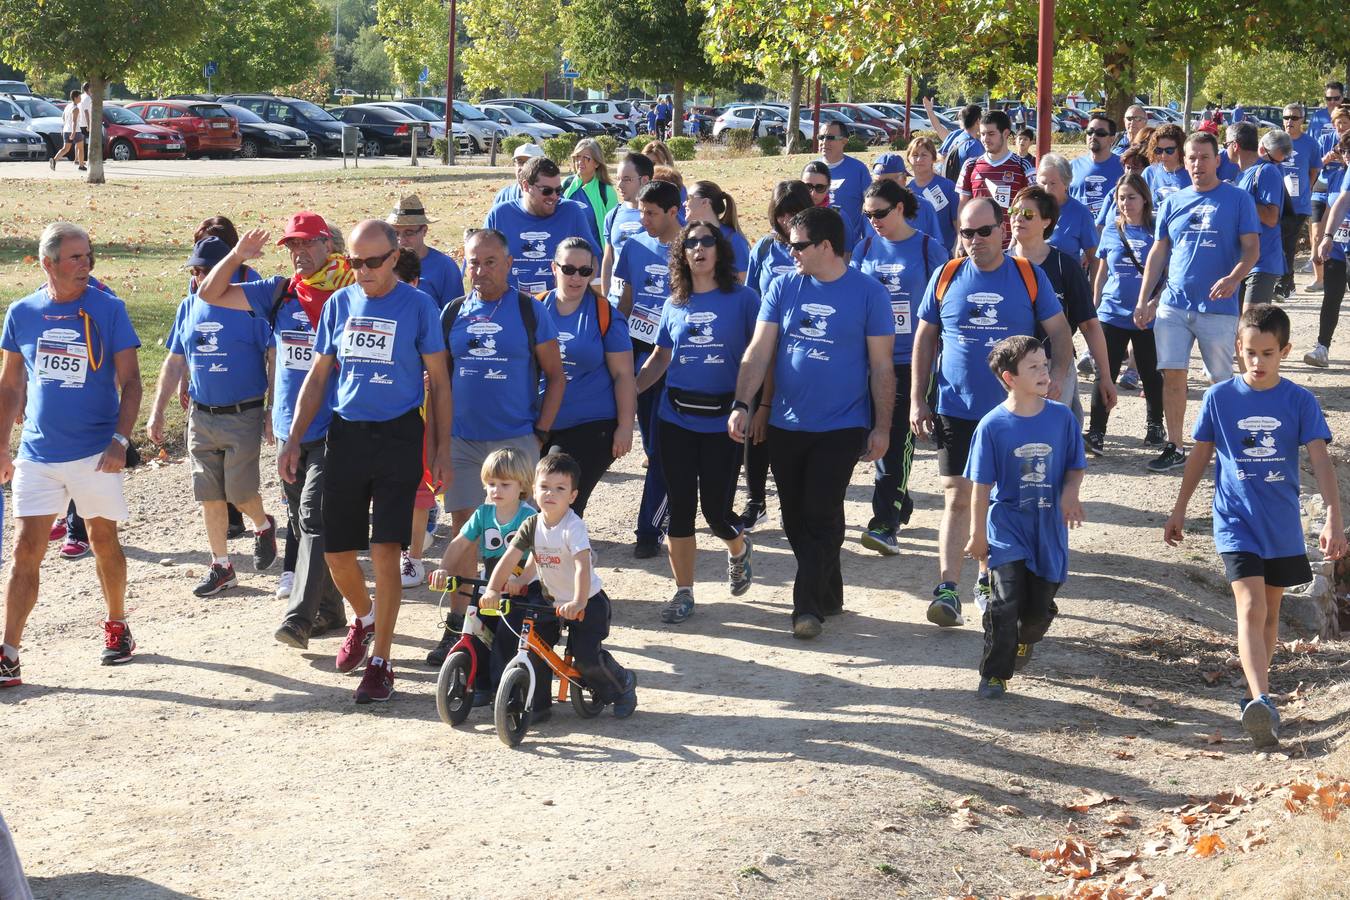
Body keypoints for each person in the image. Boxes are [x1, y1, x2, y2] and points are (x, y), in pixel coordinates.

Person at [281, 219, 452, 704]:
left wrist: (440, 449)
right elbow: (318, 377)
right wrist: (293, 438)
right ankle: (364, 616)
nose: (363, 271)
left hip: (399, 434)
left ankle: (382, 660)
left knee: (384, 553)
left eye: (373, 262)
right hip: (347, 433)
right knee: (336, 550)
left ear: (394, 257)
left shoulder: (420, 307)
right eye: (354, 262)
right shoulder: (339, 304)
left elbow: (439, 382)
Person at [1164, 304, 1346, 749]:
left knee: (1270, 613)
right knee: (1250, 608)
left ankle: (1254, 692)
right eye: (1250, 353)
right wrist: (1180, 508)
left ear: (1284, 350)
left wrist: (1334, 516)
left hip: (1281, 523)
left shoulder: (1299, 400)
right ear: (1237, 351)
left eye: (1268, 353)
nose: (1258, 362)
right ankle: (1262, 700)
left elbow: (1320, 460)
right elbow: (1201, 454)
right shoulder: (1219, 398)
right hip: (1235, 521)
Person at [728, 206, 895, 639]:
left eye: (798, 244)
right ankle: (831, 590)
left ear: (825, 246)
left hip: (842, 424)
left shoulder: (869, 293)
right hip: (786, 422)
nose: (790, 251)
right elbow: (759, 351)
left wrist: (882, 428)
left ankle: (807, 607)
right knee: (795, 516)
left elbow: (881, 368)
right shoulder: (783, 286)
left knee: (820, 509)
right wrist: (743, 404)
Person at [911, 198, 1071, 627]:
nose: (976, 240)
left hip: (1012, 415)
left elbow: (1059, 331)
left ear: (1003, 230)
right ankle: (947, 588)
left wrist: (1053, 377)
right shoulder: (946, 276)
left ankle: (987, 578)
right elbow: (925, 339)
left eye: (984, 231)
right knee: (957, 495)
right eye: (967, 233)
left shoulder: (1027, 275)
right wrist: (917, 398)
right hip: (956, 407)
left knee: (1002, 501)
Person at [196, 213, 352, 648]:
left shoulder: (352, 289)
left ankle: (299, 617)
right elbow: (210, 294)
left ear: (327, 244)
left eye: (306, 244)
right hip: (290, 428)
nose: (298, 254)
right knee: (303, 523)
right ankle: (330, 610)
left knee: (313, 519)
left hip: (337, 424)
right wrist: (238, 255)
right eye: (291, 247)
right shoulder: (281, 292)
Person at [0, 223, 141, 687]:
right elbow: (10, 384)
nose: (86, 264)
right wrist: (3, 444)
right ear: (49, 263)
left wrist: (120, 441)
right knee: (26, 551)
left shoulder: (108, 308)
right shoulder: (22, 312)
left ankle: (117, 625)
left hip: (95, 453)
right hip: (38, 452)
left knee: (103, 540)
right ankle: (9, 652)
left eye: (88, 255)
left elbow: (132, 382)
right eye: (76, 257)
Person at [636, 222, 758, 623]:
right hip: (675, 419)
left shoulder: (743, 300)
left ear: (719, 251)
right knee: (681, 509)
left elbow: (760, 358)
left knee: (716, 512)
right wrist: (627, 392)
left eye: (708, 241)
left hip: (724, 421)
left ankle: (738, 546)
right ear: (682, 255)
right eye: (691, 243)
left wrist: (757, 408)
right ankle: (683, 592)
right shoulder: (675, 303)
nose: (700, 248)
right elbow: (659, 358)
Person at [146, 236, 278, 597]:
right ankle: (221, 566)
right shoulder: (188, 306)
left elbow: (273, 357)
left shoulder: (250, 306)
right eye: (195, 270)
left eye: (206, 270)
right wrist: (157, 412)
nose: (199, 276)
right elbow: (174, 361)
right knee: (208, 494)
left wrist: (270, 410)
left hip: (243, 413)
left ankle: (263, 525)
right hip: (201, 416)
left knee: (239, 491)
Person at [441, 227, 565, 583]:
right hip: (462, 441)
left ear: (509, 263)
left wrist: (539, 433)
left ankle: (515, 618)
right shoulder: (452, 313)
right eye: (473, 263)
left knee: (521, 531)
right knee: (465, 529)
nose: (481, 270)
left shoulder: (529, 311)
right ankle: (462, 624)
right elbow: (439, 383)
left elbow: (556, 377)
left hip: (515, 439)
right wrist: (439, 443)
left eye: (490, 262)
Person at [965, 335, 1085, 699]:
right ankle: (994, 675)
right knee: (1004, 601)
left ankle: (1025, 639)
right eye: (1033, 367)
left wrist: (1070, 495)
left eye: (1045, 364)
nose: (1043, 372)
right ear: (1009, 378)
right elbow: (981, 486)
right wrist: (977, 535)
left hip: (1048, 527)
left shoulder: (1062, 418)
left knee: (1035, 612)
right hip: (1007, 526)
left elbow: (1075, 467)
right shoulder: (992, 425)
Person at [1133, 132, 1259, 474]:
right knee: (1172, 374)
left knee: (1220, 380)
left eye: (1204, 157)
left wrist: (1234, 278)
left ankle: (1228, 443)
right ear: (1183, 160)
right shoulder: (1174, 201)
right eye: (1191, 157)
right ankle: (1175, 445)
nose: (1197, 164)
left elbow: (1252, 248)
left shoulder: (1237, 199)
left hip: (1217, 307)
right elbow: (1159, 251)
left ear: (1218, 160)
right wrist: (1145, 299)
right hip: (1174, 304)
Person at [480, 452, 638, 719]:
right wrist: (496, 588)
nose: (550, 494)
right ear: (533, 490)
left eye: (559, 489)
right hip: (550, 601)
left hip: (587, 601)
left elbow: (581, 566)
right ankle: (538, 705)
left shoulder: (572, 527)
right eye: (544, 487)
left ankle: (621, 685)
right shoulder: (532, 524)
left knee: (586, 657)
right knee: (533, 647)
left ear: (573, 496)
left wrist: (578, 601)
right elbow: (518, 557)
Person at [851, 179, 949, 555]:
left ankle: (885, 522)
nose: (873, 220)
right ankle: (899, 500)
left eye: (880, 213)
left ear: (900, 208)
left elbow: (944, 304)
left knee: (894, 440)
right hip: (870, 360)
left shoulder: (928, 249)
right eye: (867, 214)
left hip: (911, 361)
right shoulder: (863, 248)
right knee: (866, 437)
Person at [1007, 185, 1116, 433]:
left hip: (1054, 365)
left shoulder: (1064, 266)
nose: (1017, 219)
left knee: (1051, 439)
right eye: (1014, 211)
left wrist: (1106, 376)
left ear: (1046, 221)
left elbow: (1089, 324)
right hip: (1009, 367)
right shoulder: (1000, 263)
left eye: (1027, 214)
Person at [540, 237, 636, 515]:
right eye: (569, 269)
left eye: (585, 271)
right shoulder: (535, 309)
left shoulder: (605, 315)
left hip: (590, 424)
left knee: (557, 500)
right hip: (539, 423)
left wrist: (626, 426)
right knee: (529, 502)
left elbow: (624, 375)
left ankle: (569, 556)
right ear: (554, 268)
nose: (576, 277)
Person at [739, 181, 814, 530]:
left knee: (791, 430)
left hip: (806, 347)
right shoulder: (765, 248)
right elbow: (751, 296)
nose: (786, 222)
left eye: (793, 214)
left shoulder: (816, 245)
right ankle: (756, 500)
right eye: (780, 214)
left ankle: (794, 502)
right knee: (756, 425)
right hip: (769, 345)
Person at [616, 180, 684, 558]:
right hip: (639, 349)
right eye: (640, 211)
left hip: (674, 356)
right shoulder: (635, 244)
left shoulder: (692, 246)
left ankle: (649, 528)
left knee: (661, 446)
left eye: (651, 213)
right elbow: (628, 297)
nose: (643, 220)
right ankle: (669, 505)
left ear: (674, 211)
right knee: (651, 441)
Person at [425, 447, 536, 675]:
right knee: (477, 631)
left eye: (505, 484)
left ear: (523, 486)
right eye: (492, 483)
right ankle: (480, 683)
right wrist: (444, 568)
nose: (497, 490)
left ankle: (505, 684)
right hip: (489, 587)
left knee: (507, 638)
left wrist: (523, 579)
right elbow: (460, 543)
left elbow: (538, 555)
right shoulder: (483, 514)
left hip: (521, 590)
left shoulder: (529, 517)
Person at [1088, 173, 1165, 449]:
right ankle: (1096, 431)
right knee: (1104, 372)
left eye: (1131, 197)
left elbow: (1166, 274)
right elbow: (1102, 270)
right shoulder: (1111, 229)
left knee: (1150, 372)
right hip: (1112, 311)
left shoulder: (1157, 230)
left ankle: (1156, 425)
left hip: (1147, 315)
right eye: (1121, 198)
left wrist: (1154, 303)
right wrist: (1095, 304)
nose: (1125, 203)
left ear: (1145, 199)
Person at [483, 156, 600, 295]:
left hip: (558, 306)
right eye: (547, 191)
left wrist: (574, 293)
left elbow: (594, 258)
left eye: (558, 190)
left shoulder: (571, 212)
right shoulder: (500, 215)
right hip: (511, 305)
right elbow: (481, 263)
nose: (554, 197)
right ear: (526, 186)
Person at [1229, 123, 1288, 311]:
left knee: (1252, 327)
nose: (1225, 149)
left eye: (1226, 144)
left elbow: (1271, 217)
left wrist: (1236, 197)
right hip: (1241, 261)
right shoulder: (1241, 175)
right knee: (1237, 328)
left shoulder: (1267, 171)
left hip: (1262, 263)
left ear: (1235, 145)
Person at [957, 110, 1034, 247]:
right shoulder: (970, 165)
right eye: (982, 134)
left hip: (1013, 247)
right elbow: (963, 206)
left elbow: (1034, 207)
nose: (985, 139)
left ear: (1005, 133)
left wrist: (1019, 239)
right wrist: (961, 240)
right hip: (979, 244)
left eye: (991, 134)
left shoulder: (1023, 166)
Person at [1308, 130, 1350, 367]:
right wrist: (1327, 237)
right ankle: (1322, 347)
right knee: (1332, 296)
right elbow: (1335, 205)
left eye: (1349, 151)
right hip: (1337, 248)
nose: (1346, 156)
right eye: (1343, 151)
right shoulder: (1337, 175)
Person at [1276, 104, 1321, 300]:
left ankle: (1283, 284)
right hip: (1276, 202)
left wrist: (1305, 191)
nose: (1289, 121)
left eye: (1294, 118)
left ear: (1302, 120)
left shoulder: (1310, 144)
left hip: (1299, 204)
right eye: (1286, 117)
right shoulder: (1275, 140)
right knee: (1280, 243)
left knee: (1287, 242)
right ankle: (1289, 283)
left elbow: (1314, 171)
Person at [387, 194, 464, 309]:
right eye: (395, 233)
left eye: (409, 233)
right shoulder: (384, 263)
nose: (401, 240)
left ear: (424, 230)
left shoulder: (445, 267)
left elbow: (453, 315)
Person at [1308, 105, 1350, 295]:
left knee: (1340, 230)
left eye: (1345, 123)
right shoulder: (1326, 139)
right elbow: (1315, 165)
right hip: (1323, 186)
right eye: (1338, 123)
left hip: (1341, 187)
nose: (1340, 127)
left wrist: (1344, 159)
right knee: (1317, 233)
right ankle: (1319, 278)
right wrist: (1326, 159)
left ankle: (1340, 272)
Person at [601, 151, 653, 304]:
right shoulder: (613, 215)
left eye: (626, 179)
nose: (619, 185)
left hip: (647, 307)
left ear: (644, 180)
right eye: (618, 179)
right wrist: (606, 301)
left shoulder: (660, 217)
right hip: (616, 303)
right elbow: (608, 260)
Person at [1037, 153, 1099, 265]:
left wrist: (1092, 283)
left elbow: (1094, 259)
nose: (1047, 189)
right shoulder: (1029, 208)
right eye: (1043, 183)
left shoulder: (1081, 214)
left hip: (1066, 280)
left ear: (1066, 184)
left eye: (1053, 183)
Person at [816, 119, 872, 242]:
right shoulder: (812, 168)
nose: (824, 142)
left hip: (848, 247)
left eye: (830, 137)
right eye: (821, 137)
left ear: (844, 141)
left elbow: (872, 207)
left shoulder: (858, 169)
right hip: (816, 245)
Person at [684, 180, 750, 280]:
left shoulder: (734, 240)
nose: (684, 203)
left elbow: (743, 282)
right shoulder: (685, 235)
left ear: (705, 202)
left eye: (689, 198)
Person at [907, 136, 959, 250]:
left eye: (924, 155)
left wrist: (958, 244)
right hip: (916, 252)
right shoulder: (906, 191)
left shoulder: (948, 186)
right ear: (908, 159)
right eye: (915, 155)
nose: (919, 159)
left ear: (933, 158)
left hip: (945, 252)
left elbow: (957, 220)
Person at [563, 137, 618, 244]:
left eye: (586, 158)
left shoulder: (606, 191)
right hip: (567, 255)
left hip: (596, 257)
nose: (580, 162)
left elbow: (614, 229)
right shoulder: (565, 185)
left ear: (597, 163)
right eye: (578, 157)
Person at [1070, 115, 1125, 220]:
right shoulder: (1071, 167)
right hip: (1078, 231)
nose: (1093, 136)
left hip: (1111, 232)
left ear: (1112, 139)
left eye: (1100, 133)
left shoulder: (1124, 167)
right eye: (1090, 132)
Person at [801, 160, 854, 250]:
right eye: (808, 187)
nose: (813, 193)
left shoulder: (838, 216)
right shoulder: (790, 211)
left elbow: (846, 255)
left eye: (820, 187)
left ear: (829, 187)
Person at [925, 97, 983, 178]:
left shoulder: (958, 137)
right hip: (964, 187)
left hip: (951, 183)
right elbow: (978, 174)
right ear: (977, 121)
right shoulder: (974, 145)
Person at [492, 143, 546, 207]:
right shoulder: (504, 196)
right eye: (520, 162)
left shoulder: (551, 197)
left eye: (531, 162)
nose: (524, 168)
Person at [48, 89, 85, 172]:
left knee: (65, 149)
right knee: (81, 148)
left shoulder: (68, 106)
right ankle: (81, 165)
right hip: (75, 131)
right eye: (79, 97)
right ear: (75, 98)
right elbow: (74, 121)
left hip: (66, 130)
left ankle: (54, 160)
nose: (80, 98)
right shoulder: (76, 108)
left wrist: (63, 128)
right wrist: (73, 132)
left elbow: (63, 117)